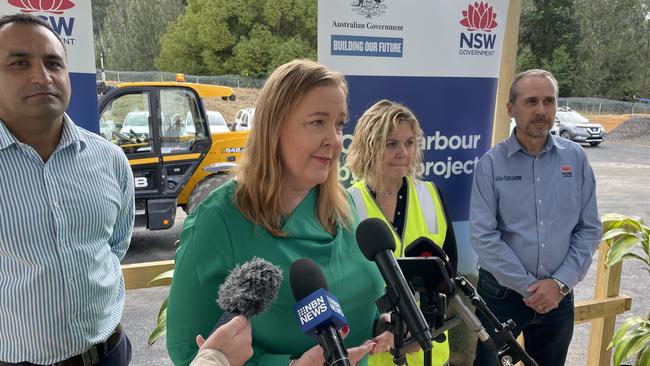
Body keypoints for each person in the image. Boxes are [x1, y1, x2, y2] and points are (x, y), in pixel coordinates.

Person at [166, 59, 389, 366]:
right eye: (317, 122)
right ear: (274, 127)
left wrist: (385, 324)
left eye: (339, 124)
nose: (335, 141)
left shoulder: (344, 207)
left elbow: (361, 303)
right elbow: (187, 348)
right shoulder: (219, 220)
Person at [0, 14, 134, 365]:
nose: (41, 76)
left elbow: (115, 246)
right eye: (18, 63)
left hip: (109, 353)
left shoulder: (110, 159)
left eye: (53, 63)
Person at [469, 69, 602, 366]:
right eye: (531, 102)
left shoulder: (576, 159)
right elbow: (483, 235)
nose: (541, 110)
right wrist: (531, 288)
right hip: (501, 296)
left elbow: (589, 229)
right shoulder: (491, 164)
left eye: (548, 101)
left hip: (559, 298)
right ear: (510, 108)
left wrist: (559, 284)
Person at [345, 100, 458, 366]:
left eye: (409, 143)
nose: (403, 153)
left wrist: (420, 327)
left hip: (428, 351)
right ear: (368, 146)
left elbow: (448, 275)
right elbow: (345, 286)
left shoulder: (431, 195)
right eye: (391, 143)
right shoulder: (346, 204)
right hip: (374, 353)